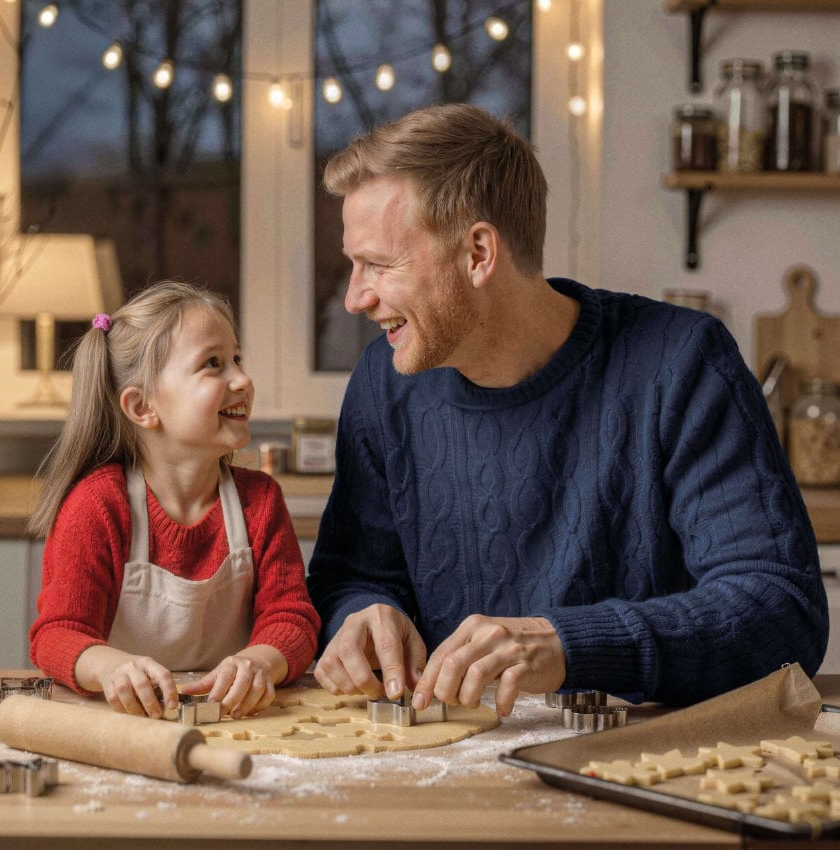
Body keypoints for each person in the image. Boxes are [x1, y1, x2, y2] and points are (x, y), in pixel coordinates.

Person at [306, 102, 828, 718]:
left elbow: (779, 610)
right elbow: (349, 577)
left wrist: (570, 645)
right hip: (443, 765)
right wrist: (361, 614)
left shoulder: (681, 363)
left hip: (641, 767)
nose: (354, 298)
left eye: (379, 265)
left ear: (477, 253)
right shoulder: (384, 383)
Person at [29, 280, 319, 719]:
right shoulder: (98, 507)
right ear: (143, 407)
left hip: (233, 723)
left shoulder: (259, 501)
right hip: (127, 727)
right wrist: (110, 668)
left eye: (237, 359)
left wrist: (260, 661)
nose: (242, 379)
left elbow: (293, 618)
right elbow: (57, 634)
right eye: (213, 364)